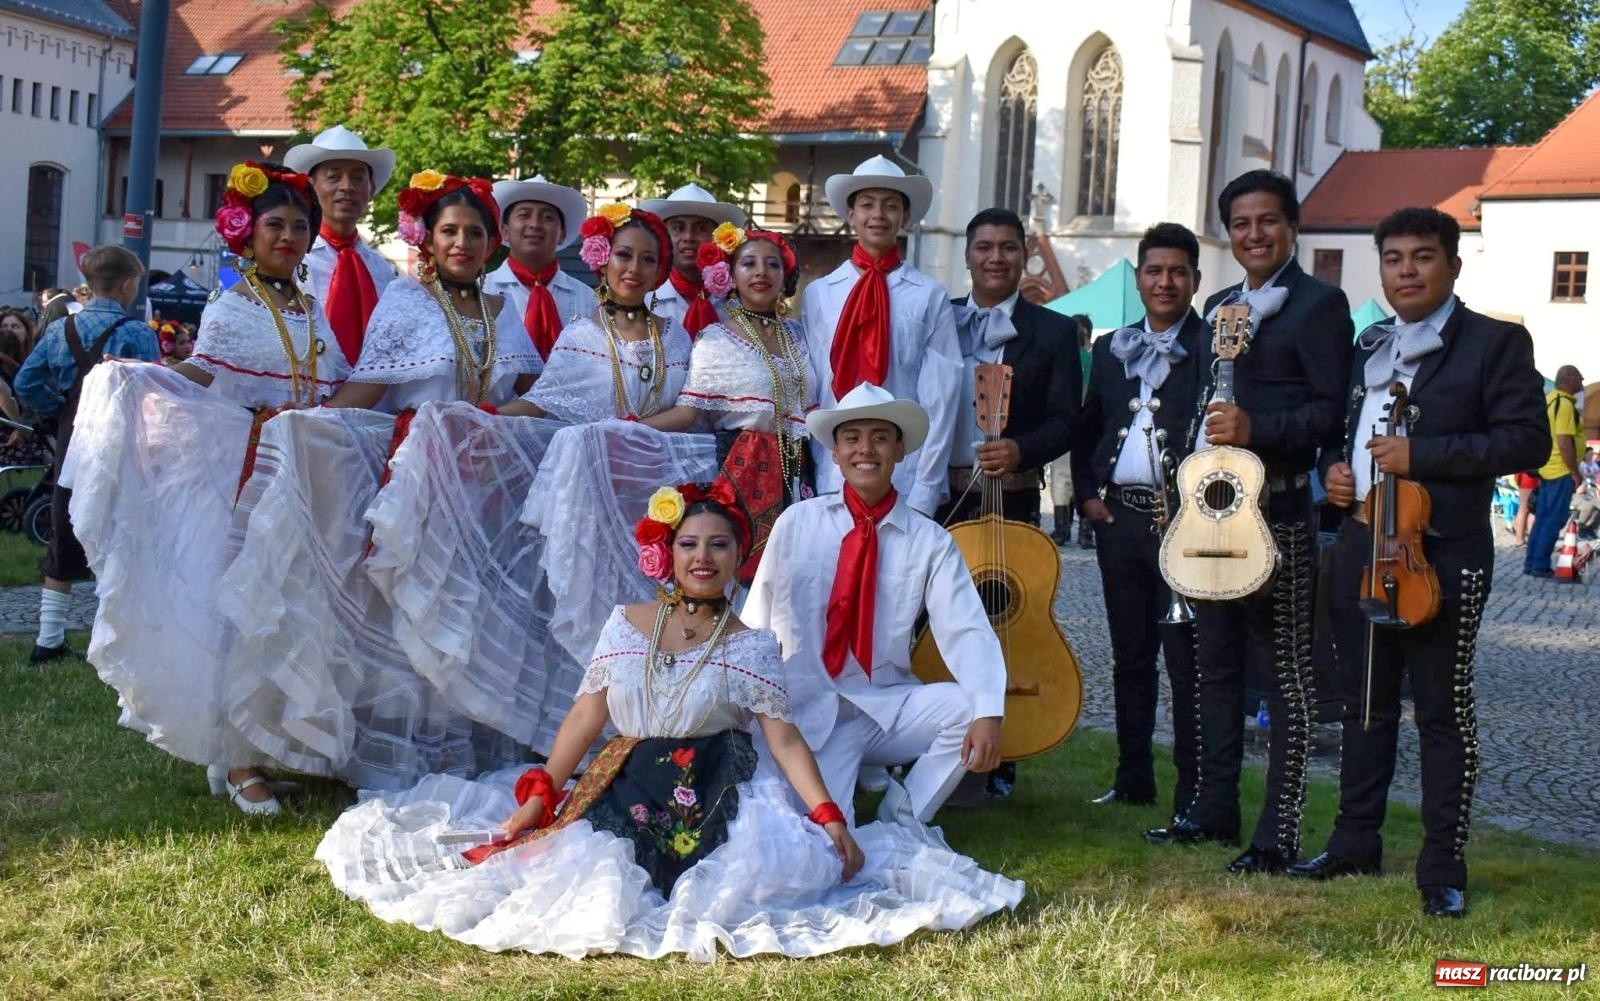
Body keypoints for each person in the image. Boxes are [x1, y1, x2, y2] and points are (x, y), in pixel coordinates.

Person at [317, 479, 1022, 960]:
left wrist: (829, 814)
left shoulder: (750, 643)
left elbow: (782, 734)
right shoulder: (627, 623)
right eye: (690, 543)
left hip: (721, 783)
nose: (704, 557)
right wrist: (540, 793)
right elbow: (588, 711)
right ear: (668, 553)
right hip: (627, 776)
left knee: (754, 881)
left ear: (737, 557)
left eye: (719, 545)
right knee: (589, 884)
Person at [212, 171, 541, 790]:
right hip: (414, 480)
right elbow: (366, 390)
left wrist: (494, 420)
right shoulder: (407, 301)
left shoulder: (504, 309)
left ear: (492, 242)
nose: (462, 243)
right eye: (449, 231)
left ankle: (451, 751)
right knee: (405, 612)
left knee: (466, 613)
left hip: (484, 489)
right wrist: (301, 427)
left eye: (475, 232)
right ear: (428, 238)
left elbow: (534, 395)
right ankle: (355, 750)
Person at [67, 161, 351, 816]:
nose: (287, 236)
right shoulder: (231, 307)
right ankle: (237, 760)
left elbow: (327, 386)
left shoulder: (307, 307)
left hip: (299, 480)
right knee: (236, 616)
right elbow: (201, 377)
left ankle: (250, 746)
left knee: (282, 610)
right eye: (273, 224)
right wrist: (141, 380)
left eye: (299, 226)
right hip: (245, 480)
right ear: (245, 235)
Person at [1287, 207, 1547, 919]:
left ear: (1453, 266)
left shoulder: (1495, 343)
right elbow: (1344, 434)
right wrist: (1334, 471)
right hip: (1365, 548)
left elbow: (1527, 441)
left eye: (1422, 257)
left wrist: (1422, 456)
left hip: (1444, 557)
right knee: (1364, 707)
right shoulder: (1368, 343)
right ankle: (1353, 843)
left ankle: (1442, 868)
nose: (1407, 270)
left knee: (1440, 713)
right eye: (1394, 257)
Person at [1145, 170, 1353, 876]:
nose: (1254, 234)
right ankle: (1211, 808)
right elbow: (1204, 402)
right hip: (1213, 515)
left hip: (1283, 513)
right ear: (1227, 231)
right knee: (1214, 667)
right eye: (1240, 223)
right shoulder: (1220, 306)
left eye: (1267, 220)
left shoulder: (1321, 305)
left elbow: (1332, 415)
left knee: (1286, 675)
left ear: (1290, 226)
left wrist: (1258, 426)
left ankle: (1278, 833)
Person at [745, 384, 1007, 826]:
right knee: (818, 841)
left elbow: (965, 627)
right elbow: (757, 619)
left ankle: (900, 823)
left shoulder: (930, 541)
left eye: (880, 437)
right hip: (806, 710)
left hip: (883, 706)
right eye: (852, 438)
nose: (866, 449)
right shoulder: (796, 523)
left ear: (900, 450)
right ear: (835, 452)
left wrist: (989, 712)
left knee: (970, 708)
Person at [1072, 223, 1204, 815]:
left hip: (1187, 524)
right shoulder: (1110, 347)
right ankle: (1132, 778)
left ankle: (1193, 786)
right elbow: (1089, 425)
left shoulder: (1213, 347)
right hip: (1119, 519)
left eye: (1177, 271)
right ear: (1139, 277)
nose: (1165, 282)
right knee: (1130, 656)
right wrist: (1086, 496)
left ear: (1196, 281)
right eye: (1154, 271)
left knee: (1186, 659)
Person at [13, 245, 157, 664]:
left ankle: (49, 639)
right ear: (127, 284)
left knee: (64, 529)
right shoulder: (138, 334)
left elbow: (25, 383)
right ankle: (118, 640)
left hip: (72, 441)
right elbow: (155, 391)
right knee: (123, 532)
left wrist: (56, 407)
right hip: (124, 445)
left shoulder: (60, 330)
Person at [801, 156, 961, 517]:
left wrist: (926, 489)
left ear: (905, 217)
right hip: (832, 470)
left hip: (904, 473)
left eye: (891, 206)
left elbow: (942, 397)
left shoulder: (927, 295)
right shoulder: (820, 294)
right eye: (868, 205)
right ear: (850, 213)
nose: (879, 215)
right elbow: (813, 388)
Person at [501, 204, 688, 422]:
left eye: (648, 259)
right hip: (597, 454)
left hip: (666, 453)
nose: (635, 268)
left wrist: (636, 433)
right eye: (623, 255)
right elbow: (540, 401)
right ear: (603, 261)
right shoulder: (580, 337)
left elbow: (690, 409)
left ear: (658, 269)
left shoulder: (675, 336)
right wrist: (486, 415)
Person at [284, 124, 397, 364]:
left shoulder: (382, 271)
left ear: (371, 190)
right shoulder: (290, 260)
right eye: (333, 177)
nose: (347, 187)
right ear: (311, 187)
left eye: (358, 178)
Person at [483, 176, 594, 360]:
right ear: (505, 231)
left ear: (562, 235)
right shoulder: (483, 290)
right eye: (524, 215)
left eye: (547, 217)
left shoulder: (586, 298)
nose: (535, 224)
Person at [639, 183, 746, 337]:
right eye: (678, 228)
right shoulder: (648, 298)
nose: (688, 237)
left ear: (716, 237)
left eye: (700, 228)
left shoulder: (735, 303)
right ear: (663, 236)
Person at [1523, 364, 1586, 578]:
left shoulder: (1550, 400)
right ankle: (1540, 565)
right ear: (1569, 378)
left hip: (1548, 467)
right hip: (1560, 470)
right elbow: (1564, 440)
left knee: (1542, 518)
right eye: (1579, 376)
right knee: (1553, 519)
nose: (1583, 379)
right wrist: (1575, 472)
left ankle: (1531, 563)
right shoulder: (1564, 404)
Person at [1048, 313, 1094, 546]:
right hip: (1078, 428)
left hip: (1069, 427)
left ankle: (1064, 530)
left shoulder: (1070, 359)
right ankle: (1082, 533)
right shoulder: (1091, 359)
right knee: (1075, 478)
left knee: (1063, 479)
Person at [0, 307, 35, 380]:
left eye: (15, 326)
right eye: (4, 326)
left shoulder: (36, 361)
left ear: (27, 333)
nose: (9, 330)